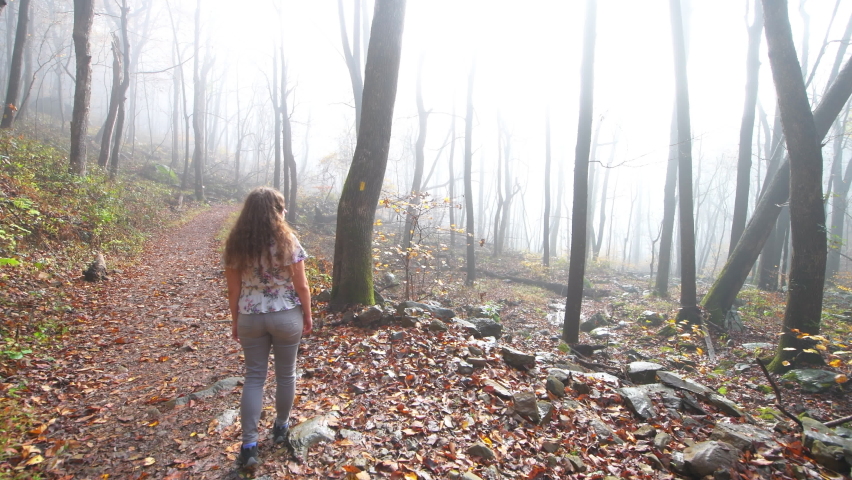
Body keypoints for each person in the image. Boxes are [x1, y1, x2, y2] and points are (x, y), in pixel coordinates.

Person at [223, 187, 312, 467]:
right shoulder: (287, 240)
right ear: (277, 211)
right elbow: (302, 286)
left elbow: (233, 289)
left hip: (251, 314)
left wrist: (236, 321)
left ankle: (249, 445)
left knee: (254, 378)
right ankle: (281, 427)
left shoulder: (236, 242)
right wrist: (307, 315)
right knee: (286, 375)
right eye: (282, 208)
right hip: (286, 314)